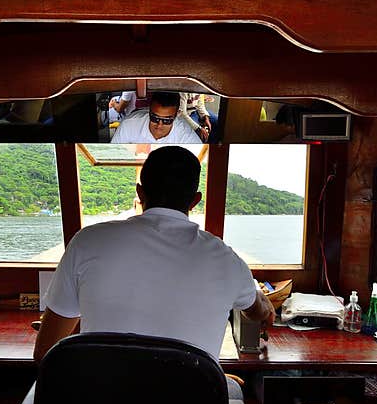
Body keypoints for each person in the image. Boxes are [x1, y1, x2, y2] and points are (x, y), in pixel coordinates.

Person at [33, 146, 275, 363]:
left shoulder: (87, 242)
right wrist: (263, 305)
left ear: (140, 193)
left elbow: (45, 353)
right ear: (195, 201)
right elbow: (258, 310)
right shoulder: (228, 261)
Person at [110, 91, 202, 144]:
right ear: (149, 111)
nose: (159, 125)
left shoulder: (185, 134)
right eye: (155, 118)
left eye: (167, 120)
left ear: (177, 114)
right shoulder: (128, 125)